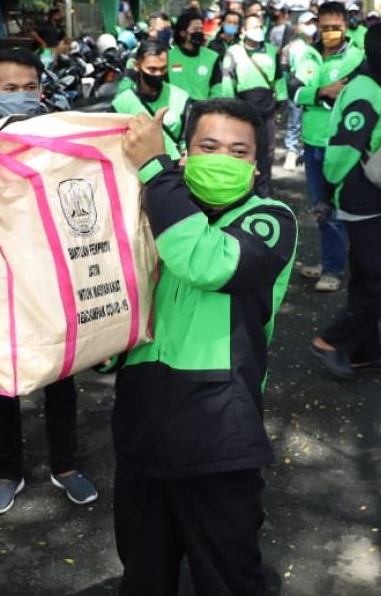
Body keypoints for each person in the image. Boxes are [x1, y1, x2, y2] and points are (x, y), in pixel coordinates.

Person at [112, 98, 298, 596]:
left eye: (239, 151)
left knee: (227, 575)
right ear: (187, 154)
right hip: (141, 422)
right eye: (209, 146)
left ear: (256, 165)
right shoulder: (155, 208)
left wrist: (154, 170)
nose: (223, 158)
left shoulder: (272, 219)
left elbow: (206, 263)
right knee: (144, 570)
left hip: (219, 431)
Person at [0, 47, 98, 512]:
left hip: (52, 278)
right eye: (10, 89)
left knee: (61, 376)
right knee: (1, 383)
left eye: (29, 88)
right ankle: (9, 472)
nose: (21, 96)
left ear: (42, 90)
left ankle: (65, 465)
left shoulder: (58, 138)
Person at [309, 46, 381, 378]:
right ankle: (330, 341)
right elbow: (341, 149)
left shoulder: (372, 88)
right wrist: (331, 190)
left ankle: (365, 353)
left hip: (370, 197)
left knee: (366, 279)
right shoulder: (365, 91)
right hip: (361, 199)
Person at [291, 1, 356, 293]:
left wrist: (312, 94)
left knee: (336, 209)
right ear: (318, 25)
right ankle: (331, 261)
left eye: (336, 27)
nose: (331, 32)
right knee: (320, 209)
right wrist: (321, 92)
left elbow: (351, 96)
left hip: (340, 144)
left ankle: (334, 269)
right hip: (312, 142)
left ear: (346, 25)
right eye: (326, 27)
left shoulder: (356, 58)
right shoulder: (307, 55)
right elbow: (293, 91)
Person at [223, 14, 283, 196]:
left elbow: (279, 79)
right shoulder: (233, 52)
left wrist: (281, 103)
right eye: (253, 27)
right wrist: (229, 110)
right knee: (242, 151)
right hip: (242, 111)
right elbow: (227, 82)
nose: (258, 30)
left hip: (267, 110)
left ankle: (263, 192)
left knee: (266, 153)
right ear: (243, 31)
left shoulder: (271, 50)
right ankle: (241, 190)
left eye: (260, 26)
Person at [112, 39, 193, 159]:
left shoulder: (181, 98)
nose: (158, 74)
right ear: (136, 66)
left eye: (163, 69)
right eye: (152, 69)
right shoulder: (121, 104)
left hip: (173, 170)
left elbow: (187, 139)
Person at [282, 10, 319, 170]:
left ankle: (306, 153)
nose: (311, 27)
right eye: (307, 23)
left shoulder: (320, 47)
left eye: (313, 23)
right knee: (294, 122)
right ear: (299, 27)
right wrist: (282, 93)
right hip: (295, 90)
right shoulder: (291, 48)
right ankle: (291, 152)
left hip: (315, 90)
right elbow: (284, 71)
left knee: (311, 122)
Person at [168, 8, 224, 101]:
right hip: (175, 112)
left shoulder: (212, 57)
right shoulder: (169, 57)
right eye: (195, 29)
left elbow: (216, 89)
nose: (199, 32)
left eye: (201, 29)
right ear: (183, 33)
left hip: (202, 111)